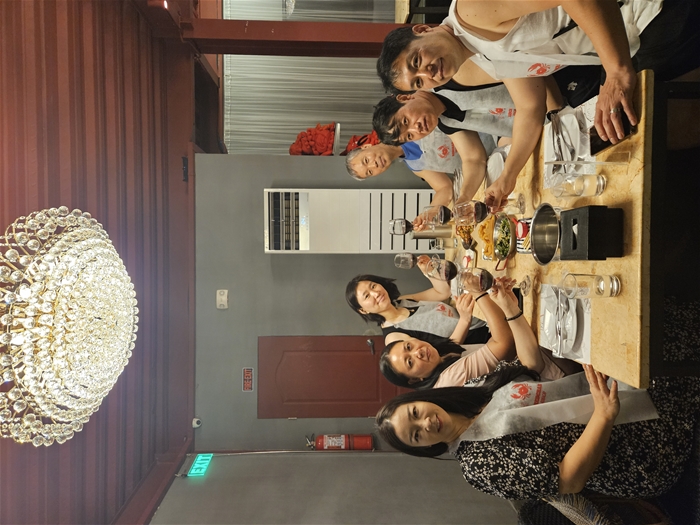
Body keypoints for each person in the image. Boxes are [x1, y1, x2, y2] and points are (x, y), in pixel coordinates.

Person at [377, 0, 700, 209]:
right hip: (628, 38)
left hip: (645, 14)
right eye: (418, 81)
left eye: (417, 61)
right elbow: (530, 108)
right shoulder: (481, 56)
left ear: (422, 30)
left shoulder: (471, 12)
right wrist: (507, 178)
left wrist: (615, 72)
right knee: (631, 133)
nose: (428, 74)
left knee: (652, 123)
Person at [376, 363, 700, 500]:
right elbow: (568, 480)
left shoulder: (473, 390)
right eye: (416, 435)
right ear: (424, 447)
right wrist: (603, 415)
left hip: (611, 392)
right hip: (637, 450)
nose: (425, 423)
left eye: (415, 413)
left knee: (654, 333)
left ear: (421, 398)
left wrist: (509, 309)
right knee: (671, 355)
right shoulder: (477, 466)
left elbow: (528, 365)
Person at [380, 277, 576, 389]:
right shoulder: (451, 378)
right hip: (552, 372)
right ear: (415, 380)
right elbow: (505, 343)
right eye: (410, 362)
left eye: (409, 347)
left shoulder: (443, 358)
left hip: (535, 351)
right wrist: (478, 292)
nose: (417, 352)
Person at [372, 87, 523, 203]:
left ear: (404, 98)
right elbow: (473, 159)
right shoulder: (446, 122)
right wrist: (464, 199)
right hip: (519, 130)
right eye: (410, 136)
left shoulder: (445, 82)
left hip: (531, 109)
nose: (416, 128)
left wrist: (508, 174)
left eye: (405, 121)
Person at [345, 259, 489, 346]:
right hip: (484, 339)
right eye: (367, 296)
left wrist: (428, 270)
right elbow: (448, 353)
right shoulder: (394, 337)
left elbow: (442, 293)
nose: (376, 293)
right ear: (363, 310)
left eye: (373, 286)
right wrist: (464, 319)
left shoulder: (402, 302)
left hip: (482, 317)